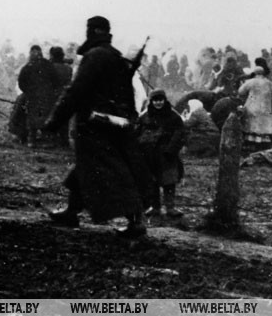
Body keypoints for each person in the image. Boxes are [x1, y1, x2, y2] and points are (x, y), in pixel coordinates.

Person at [43, 16, 149, 238]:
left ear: (92, 31)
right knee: (87, 167)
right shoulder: (115, 57)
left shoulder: (94, 56)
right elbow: (126, 94)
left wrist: (54, 121)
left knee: (113, 172)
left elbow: (76, 91)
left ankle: (136, 220)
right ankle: (71, 211)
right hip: (113, 123)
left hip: (94, 125)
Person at [136, 89, 187, 218]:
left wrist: (171, 149)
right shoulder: (145, 116)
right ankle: (155, 207)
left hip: (166, 154)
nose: (158, 103)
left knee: (169, 180)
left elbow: (180, 133)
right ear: (151, 101)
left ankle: (170, 207)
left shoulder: (173, 116)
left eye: (160, 100)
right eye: (155, 100)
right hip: (149, 154)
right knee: (152, 181)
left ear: (165, 100)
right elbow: (137, 132)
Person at [17, 45, 59, 147]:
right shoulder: (49, 65)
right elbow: (55, 80)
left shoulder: (28, 66)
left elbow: (21, 82)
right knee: (45, 116)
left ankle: (32, 140)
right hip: (47, 96)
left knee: (31, 117)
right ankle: (46, 140)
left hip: (33, 96)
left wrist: (28, 91)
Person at [237, 66, 272, 148]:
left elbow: (240, 91)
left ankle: (250, 144)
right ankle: (262, 144)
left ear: (254, 73)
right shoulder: (270, 83)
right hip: (265, 108)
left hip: (252, 107)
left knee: (252, 126)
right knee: (263, 127)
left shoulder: (251, 82)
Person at [49, 46, 73, 147]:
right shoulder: (68, 68)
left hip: (51, 95)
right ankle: (64, 139)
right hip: (64, 95)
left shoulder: (50, 67)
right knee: (64, 117)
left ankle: (52, 138)